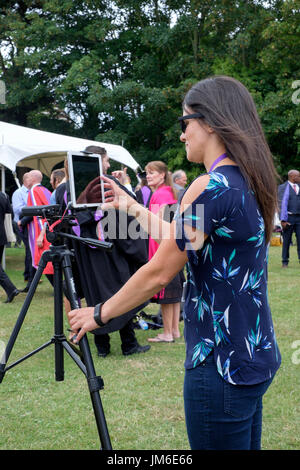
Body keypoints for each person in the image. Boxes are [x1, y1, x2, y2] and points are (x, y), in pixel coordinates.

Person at [67, 75, 281, 450]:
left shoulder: (209, 186)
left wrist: (99, 313)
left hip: (219, 363)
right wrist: (132, 207)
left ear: (210, 121)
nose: (182, 135)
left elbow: (160, 271)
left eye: (185, 123)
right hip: (252, 353)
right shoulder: (245, 181)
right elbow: (181, 242)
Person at [57, 146, 150, 357]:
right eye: (106, 161)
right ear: (98, 161)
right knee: (122, 290)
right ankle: (129, 344)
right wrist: (124, 183)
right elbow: (132, 207)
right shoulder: (105, 184)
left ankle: (102, 347)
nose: (108, 165)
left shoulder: (65, 189)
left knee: (94, 295)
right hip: (109, 250)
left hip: (84, 253)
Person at [145, 161, 183, 343]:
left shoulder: (161, 194)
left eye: (152, 173)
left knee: (167, 292)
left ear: (162, 175)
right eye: (147, 173)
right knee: (174, 291)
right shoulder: (169, 191)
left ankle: (167, 333)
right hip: (171, 246)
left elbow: (159, 222)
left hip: (163, 248)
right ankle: (174, 330)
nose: (148, 176)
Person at [19, 170, 54, 285]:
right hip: (50, 229)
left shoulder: (34, 191)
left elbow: (39, 213)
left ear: (33, 179)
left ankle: (62, 288)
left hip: (42, 231)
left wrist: (41, 235)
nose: (25, 181)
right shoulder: (45, 190)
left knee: (43, 261)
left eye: (28, 178)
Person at [0, 191, 21, 302]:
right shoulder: (4, 195)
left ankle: (11, 288)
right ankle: (10, 290)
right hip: (2, 235)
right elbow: (10, 214)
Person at [12, 172, 33, 283]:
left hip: (28, 223)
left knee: (30, 249)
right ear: (25, 180)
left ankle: (28, 274)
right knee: (29, 249)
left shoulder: (32, 192)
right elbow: (16, 209)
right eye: (31, 178)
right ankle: (29, 276)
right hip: (20, 224)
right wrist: (32, 207)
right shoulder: (18, 193)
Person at [278, 169, 300, 267]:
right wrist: (283, 220)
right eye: (298, 176)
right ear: (292, 176)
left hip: (299, 218)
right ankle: (285, 261)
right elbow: (280, 204)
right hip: (288, 218)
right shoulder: (282, 188)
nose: (299, 178)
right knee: (286, 241)